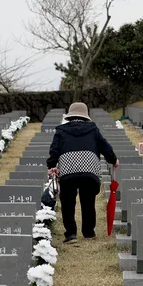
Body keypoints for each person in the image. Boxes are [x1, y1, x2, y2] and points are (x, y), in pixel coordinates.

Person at [47, 102, 119, 243]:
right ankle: (88, 232)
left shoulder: (61, 131)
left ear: (70, 116)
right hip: (89, 169)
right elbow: (105, 147)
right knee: (88, 202)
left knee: (67, 203)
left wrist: (51, 165)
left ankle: (71, 234)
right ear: (85, 116)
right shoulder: (93, 130)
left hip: (68, 169)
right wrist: (113, 159)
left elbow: (54, 151)